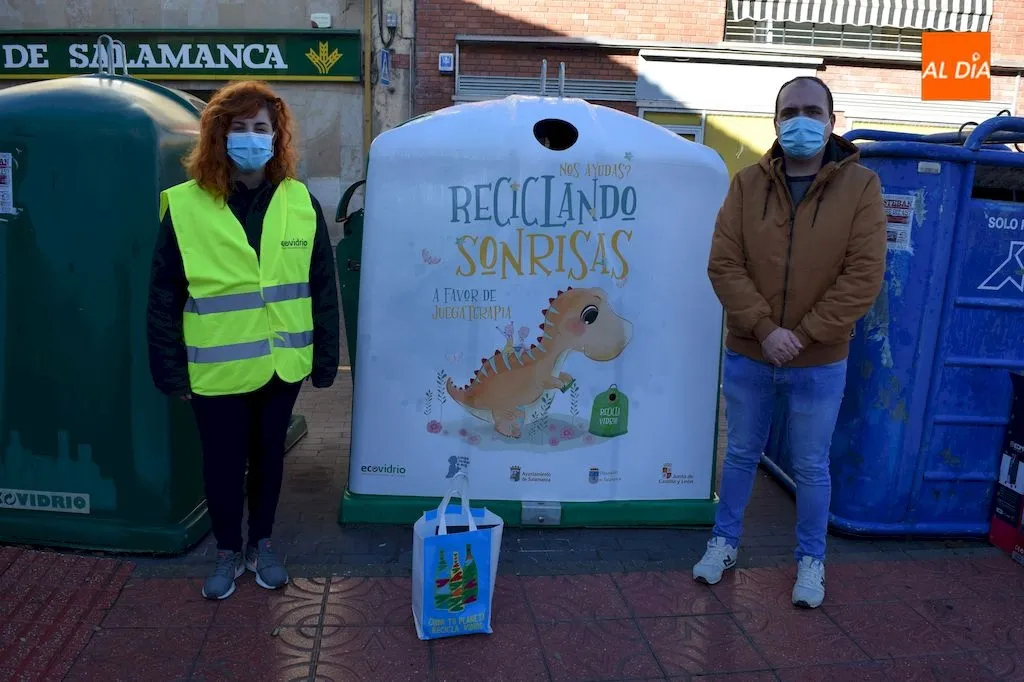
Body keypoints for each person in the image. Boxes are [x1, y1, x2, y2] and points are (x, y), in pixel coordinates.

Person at [693, 76, 886, 608]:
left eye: (812, 110)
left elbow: (863, 275)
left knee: (810, 466)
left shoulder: (862, 187)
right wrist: (763, 328)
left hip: (819, 360)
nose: (801, 121)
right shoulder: (746, 184)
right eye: (790, 111)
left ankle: (810, 560)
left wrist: (798, 337)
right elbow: (724, 264)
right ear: (775, 121)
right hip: (750, 352)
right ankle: (723, 543)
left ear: (831, 120)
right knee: (739, 456)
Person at [147, 81, 340, 600]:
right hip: (217, 368)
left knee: (270, 460)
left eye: (262, 128)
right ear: (218, 134)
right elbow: (164, 295)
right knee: (223, 465)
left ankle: (263, 544)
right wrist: (170, 370)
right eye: (240, 127)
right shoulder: (185, 206)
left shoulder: (300, 201)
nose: (252, 138)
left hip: (282, 365)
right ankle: (228, 551)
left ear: (277, 138)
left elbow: (321, 285)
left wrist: (326, 360)